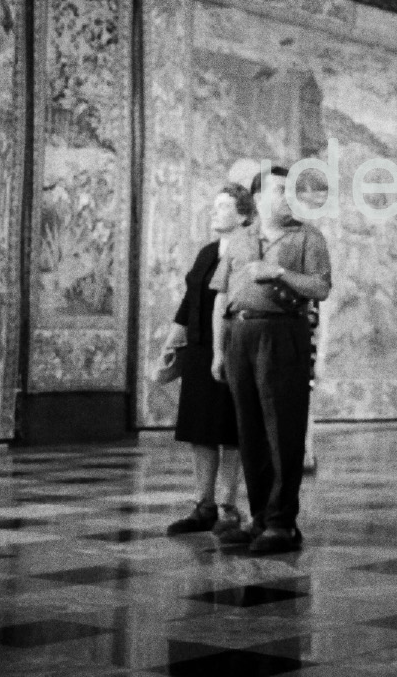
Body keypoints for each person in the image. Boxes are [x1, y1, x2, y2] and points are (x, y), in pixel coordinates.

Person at [211, 165, 332, 555]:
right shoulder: (241, 239)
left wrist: (279, 271)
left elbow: (321, 287)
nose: (288, 197)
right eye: (281, 190)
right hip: (240, 335)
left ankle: (282, 524)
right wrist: (219, 349)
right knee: (250, 432)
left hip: (282, 335)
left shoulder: (308, 237)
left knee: (283, 431)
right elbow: (221, 296)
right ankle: (260, 517)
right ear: (259, 197)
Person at [165, 184, 250, 537]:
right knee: (200, 430)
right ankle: (204, 505)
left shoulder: (249, 251)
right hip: (199, 350)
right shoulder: (206, 252)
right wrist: (170, 344)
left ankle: (228, 506)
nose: (213, 212)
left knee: (231, 430)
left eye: (223, 206)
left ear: (243, 215)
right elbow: (189, 303)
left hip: (234, 347)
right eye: (213, 206)